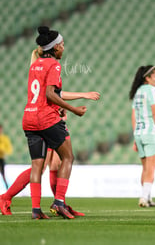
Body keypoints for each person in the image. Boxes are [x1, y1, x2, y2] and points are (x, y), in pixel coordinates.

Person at [22, 26, 87, 219]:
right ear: (56, 47)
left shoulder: (34, 65)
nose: (64, 48)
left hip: (29, 118)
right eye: (63, 45)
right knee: (68, 157)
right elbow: (51, 94)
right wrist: (74, 109)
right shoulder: (54, 65)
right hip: (46, 118)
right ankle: (59, 202)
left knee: (36, 165)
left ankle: (35, 210)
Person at [129, 65, 155, 208]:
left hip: (139, 133)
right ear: (147, 78)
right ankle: (144, 197)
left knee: (145, 168)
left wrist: (135, 136)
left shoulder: (138, 92)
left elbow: (134, 116)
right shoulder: (153, 91)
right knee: (151, 169)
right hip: (152, 133)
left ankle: (147, 197)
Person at [0, 124, 13, 189]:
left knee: (3, 174)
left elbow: (8, 149)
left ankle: (7, 187)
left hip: (1, 158)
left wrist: (3, 150)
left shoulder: (5, 138)